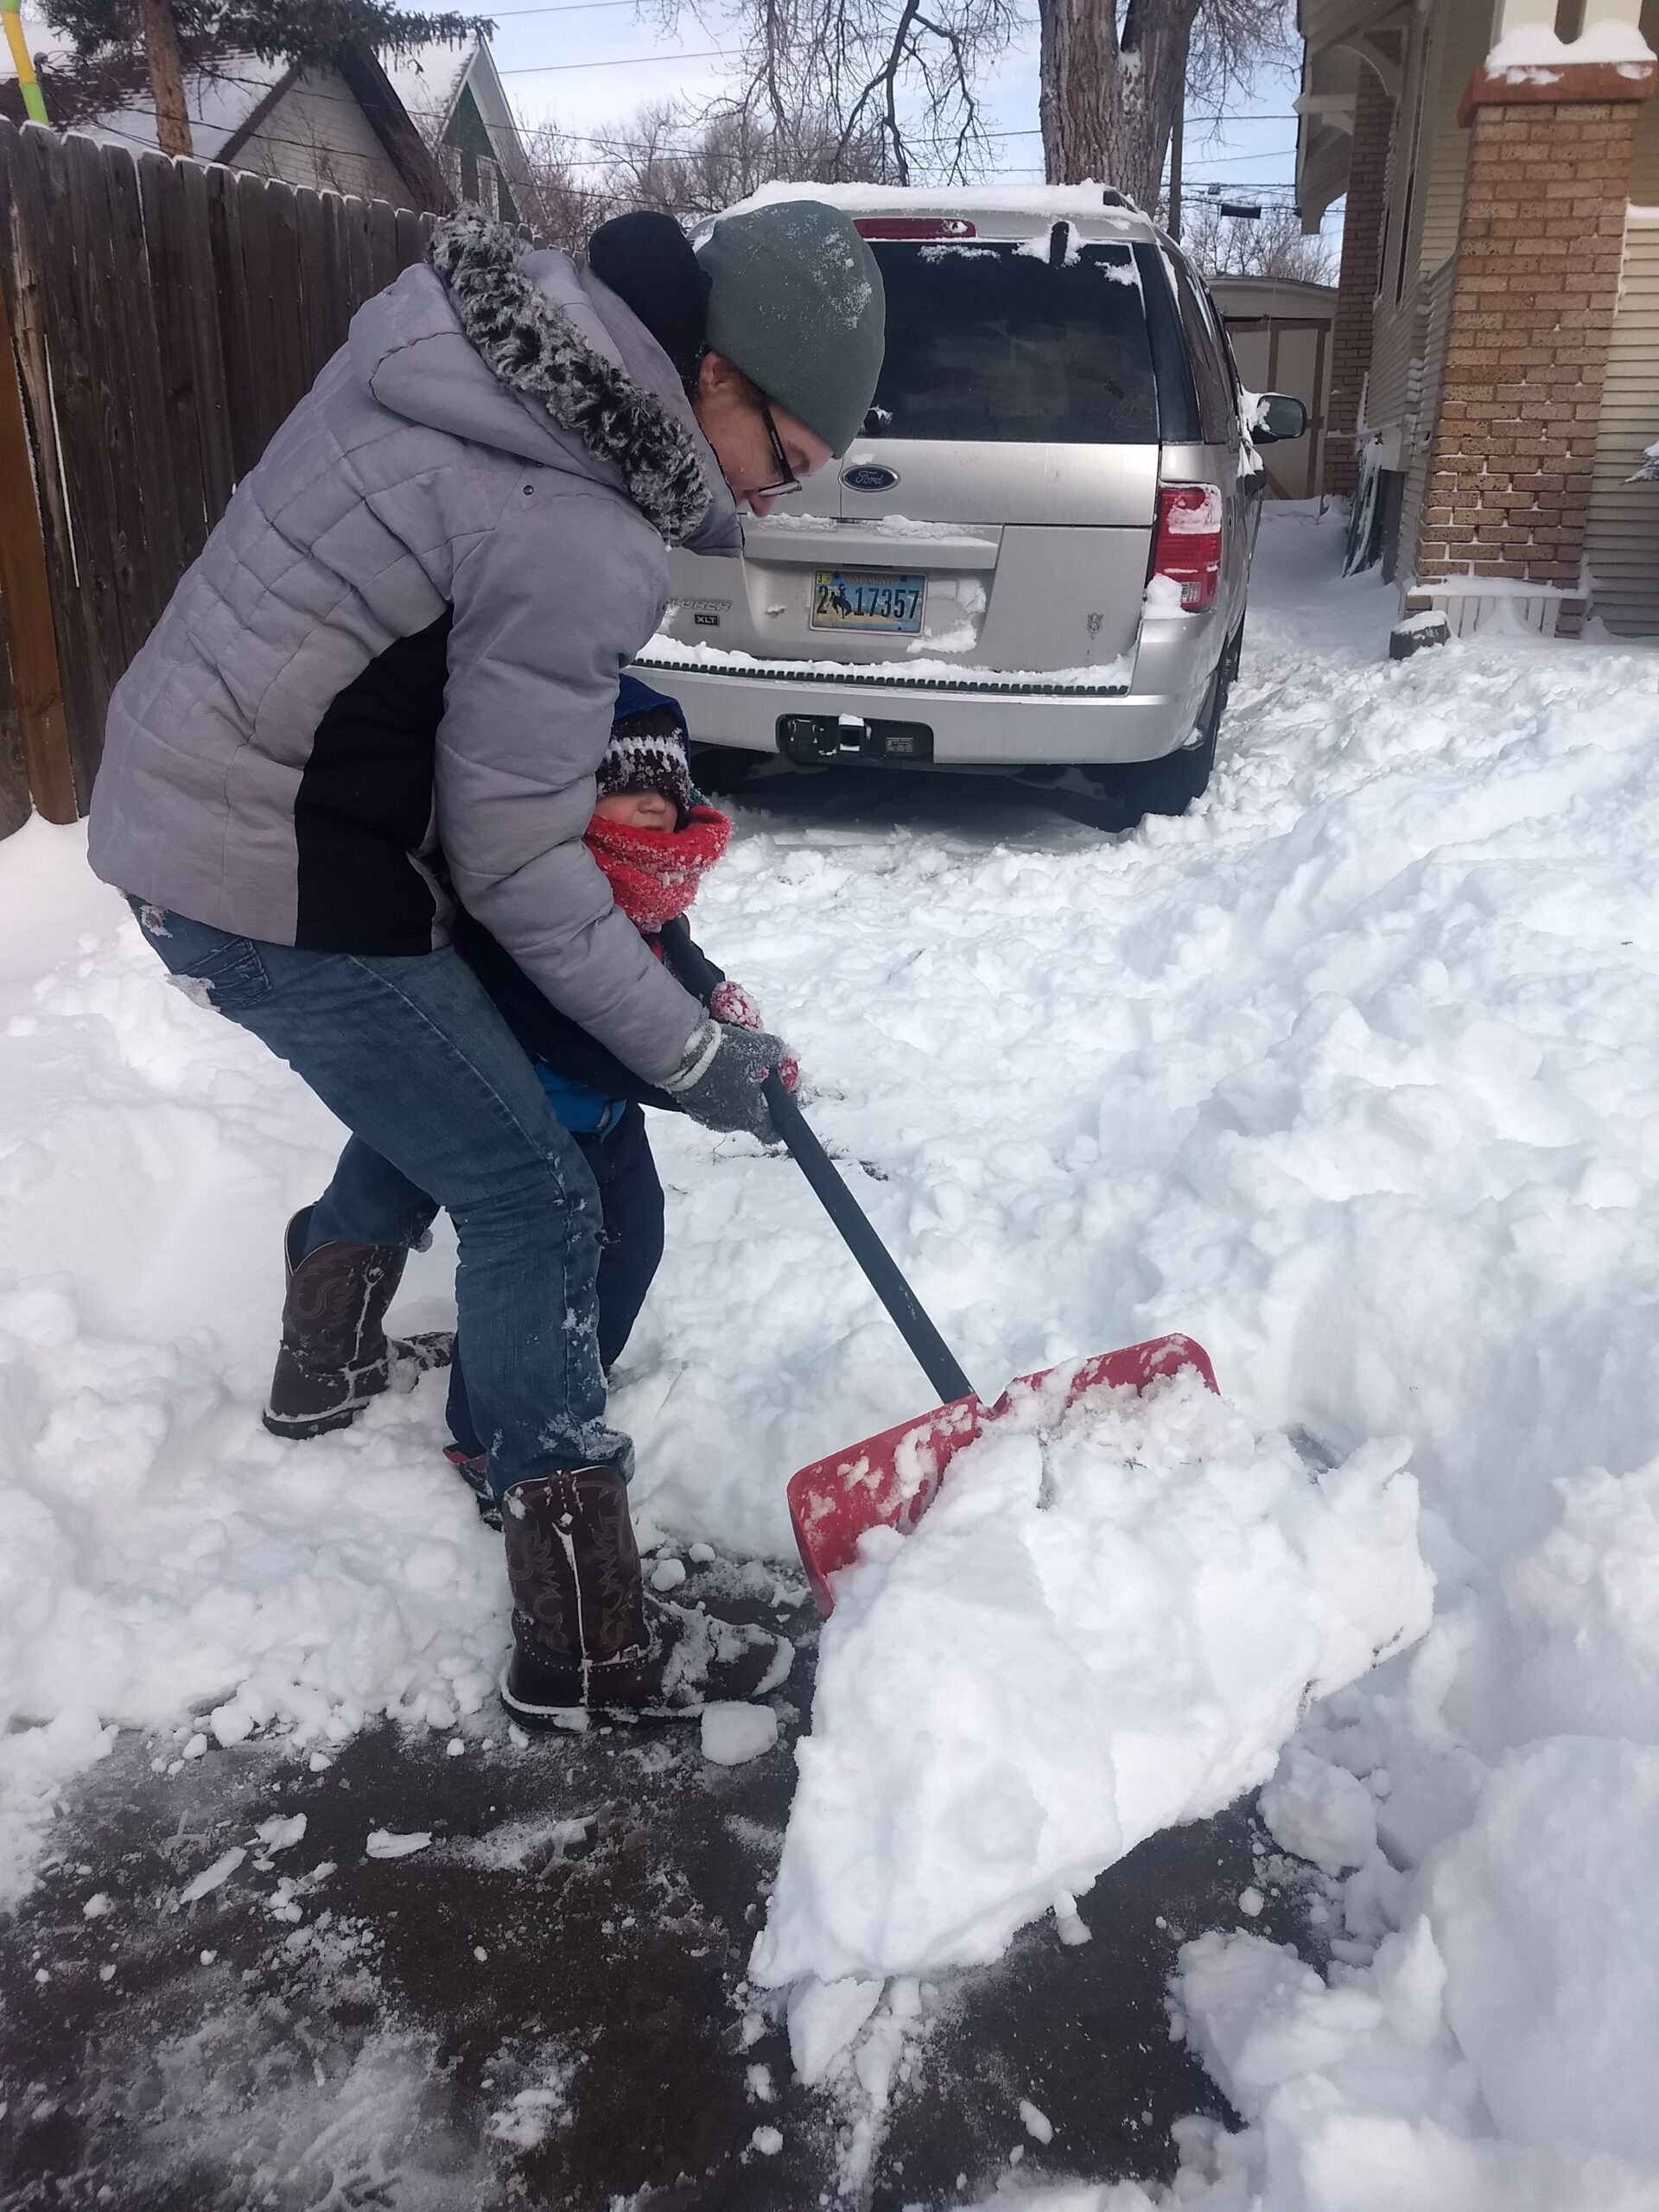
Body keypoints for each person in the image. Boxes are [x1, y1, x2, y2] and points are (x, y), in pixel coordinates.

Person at [86, 199, 886, 1724]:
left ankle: (322, 1361)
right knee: (539, 1193)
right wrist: (688, 1056)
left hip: (204, 810)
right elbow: (520, 864)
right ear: (714, 376)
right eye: (787, 460)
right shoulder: (579, 516)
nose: (780, 500)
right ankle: (575, 1634)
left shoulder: (483, 344)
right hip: (272, 867)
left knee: (447, 1080)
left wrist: (673, 989)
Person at [442, 674, 797, 1522]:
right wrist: (704, 1079)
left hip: (607, 1120)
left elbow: (675, 952)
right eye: (624, 789)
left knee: (633, 1247)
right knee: (531, 1279)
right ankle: (483, 1426)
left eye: (665, 792)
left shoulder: (647, 886)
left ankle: (576, 1376)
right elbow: (581, 1037)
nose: (649, 809)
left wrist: (717, 1007)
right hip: (525, 1124)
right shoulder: (537, 896)